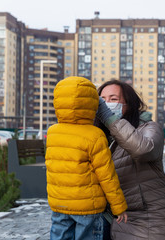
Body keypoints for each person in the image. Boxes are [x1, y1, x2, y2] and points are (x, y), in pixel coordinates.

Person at [45, 76, 128, 240]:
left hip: (60, 205)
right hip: (89, 208)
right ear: (93, 104)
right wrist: (119, 206)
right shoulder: (95, 135)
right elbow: (107, 176)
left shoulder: (53, 132)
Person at [94, 79, 165, 240]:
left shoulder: (149, 128)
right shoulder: (100, 136)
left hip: (147, 221)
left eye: (113, 99)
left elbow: (144, 150)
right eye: (102, 100)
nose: (106, 104)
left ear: (129, 104)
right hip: (112, 220)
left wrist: (111, 120)